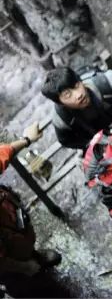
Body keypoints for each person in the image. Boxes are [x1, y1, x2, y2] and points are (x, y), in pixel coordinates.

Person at [0, 122, 62, 286]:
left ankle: (32, 255)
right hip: (6, 260)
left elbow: (2, 154)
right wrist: (23, 267)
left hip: (10, 227)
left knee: (21, 241)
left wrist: (27, 140)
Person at [41, 66, 112, 149]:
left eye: (76, 86)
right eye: (67, 95)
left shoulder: (107, 81)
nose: (78, 95)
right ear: (60, 103)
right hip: (99, 143)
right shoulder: (61, 118)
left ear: (81, 81)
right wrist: (92, 143)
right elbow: (65, 140)